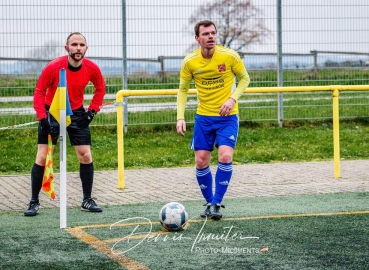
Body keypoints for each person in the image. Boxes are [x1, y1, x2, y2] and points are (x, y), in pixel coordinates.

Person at [24, 32, 106, 216]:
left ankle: (87, 199)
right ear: (66, 48)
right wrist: (42, 117)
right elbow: (39, 91)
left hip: (77, 112)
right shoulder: (54, 67)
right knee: (43, 156)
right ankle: (33, 202)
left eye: (81, 45)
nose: (78, 48)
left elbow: (100, 88)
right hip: (51, 111)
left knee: (85, 155)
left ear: (86, 48)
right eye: (74, 44)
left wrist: (92, 111)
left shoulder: (92, 68)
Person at [176, 20, 250, 220]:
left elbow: (245, 79)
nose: (210, 37)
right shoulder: (190, 61)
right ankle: (209, 203)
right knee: (201, 161)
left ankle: (217, 202)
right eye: (206, 34)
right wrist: (180, 117)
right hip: (204, 118)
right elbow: (183, 90)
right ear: (197, 38)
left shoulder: (229, 56)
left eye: (213, 33)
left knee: (225, 156)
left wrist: (232, 98)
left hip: (227, 118)